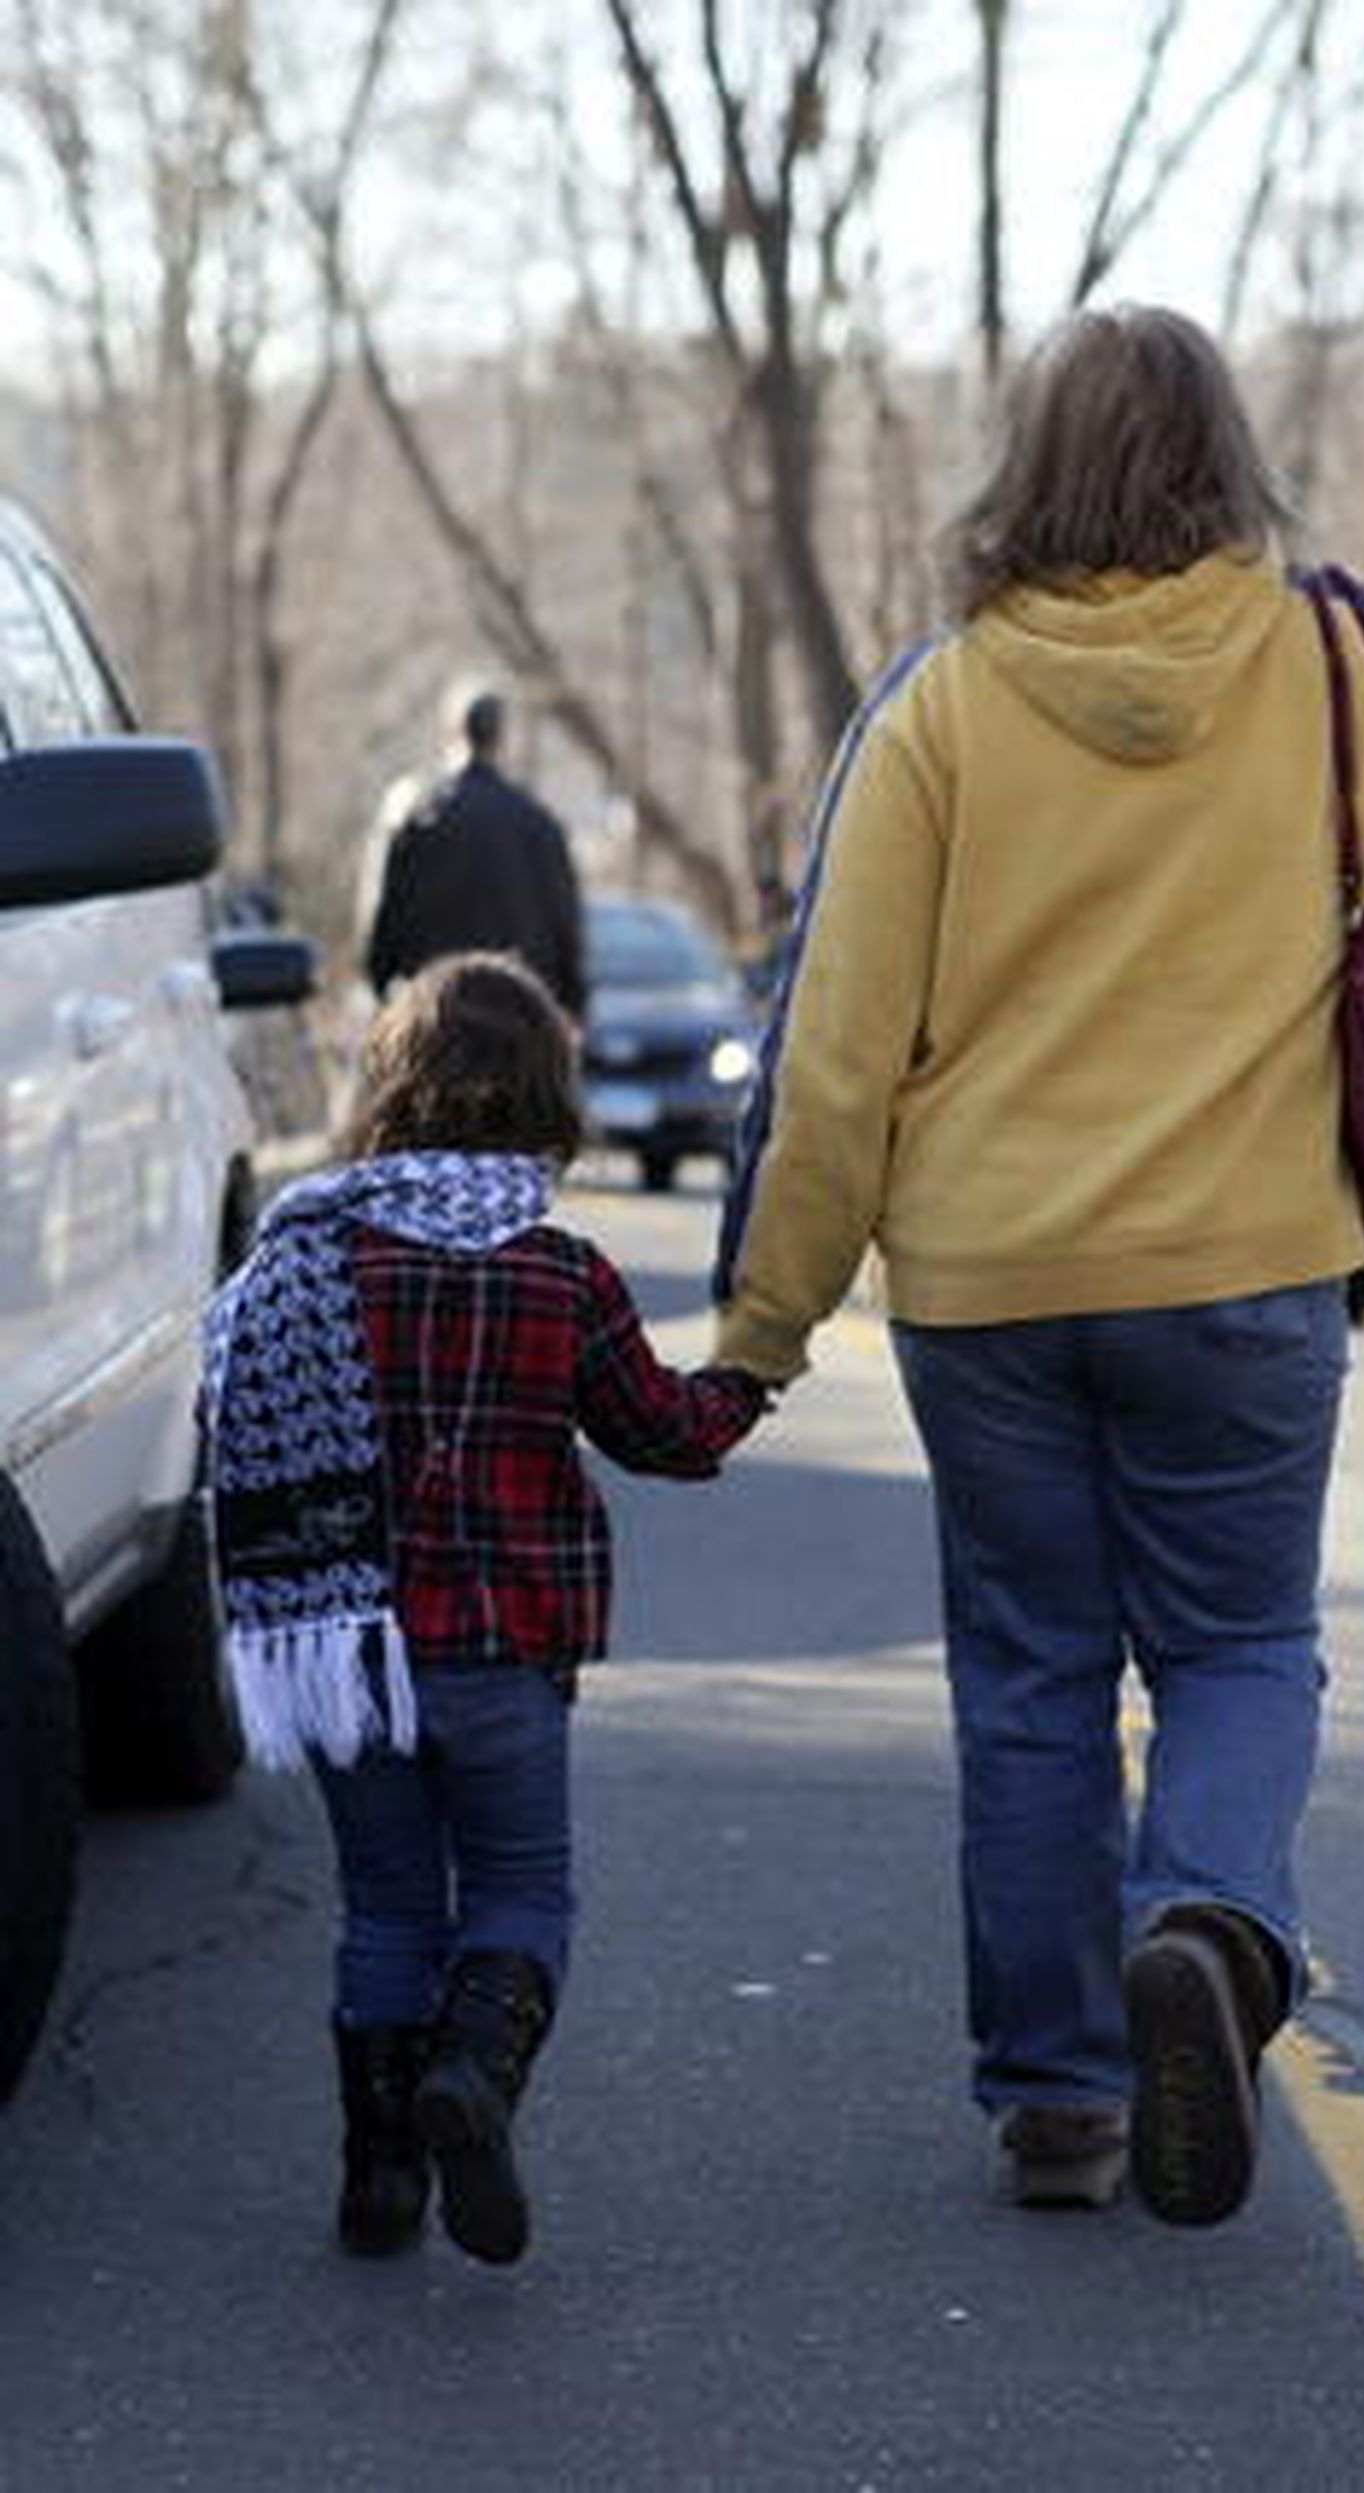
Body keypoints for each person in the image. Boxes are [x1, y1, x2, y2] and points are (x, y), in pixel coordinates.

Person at [712, 304, 1364, 2227]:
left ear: (1030, 466)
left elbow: (838, 1052)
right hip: (1248, 1264)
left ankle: (1064, 2099)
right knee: (1243, 1645)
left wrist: (764, 1327)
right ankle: (1213, 1917)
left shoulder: (942, 705)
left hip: (990, 1284)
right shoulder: (1336, 656)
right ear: (1230, 458)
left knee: (1030, 1676)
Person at [202, 952, 766, 2266]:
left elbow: (221, 1417)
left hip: (345, 1652)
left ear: (389, 1088)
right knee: (519, 1890)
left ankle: (380, 2179)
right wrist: (748, 1379)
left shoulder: (306, 1256)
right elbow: (667, 1435)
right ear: (547, 1098)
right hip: (506, 1653)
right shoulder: (561, 1273)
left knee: (388, 1907)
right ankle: (473, 2072)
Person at [364, 684, 588, 1022]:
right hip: (518, 1022)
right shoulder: (538, 824)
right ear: (501, 738)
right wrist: (573, 1007)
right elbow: (565, 926)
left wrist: (386, 997)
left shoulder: (420, 821)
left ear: (452, 733)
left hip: (437, 1021)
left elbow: (384, 927)